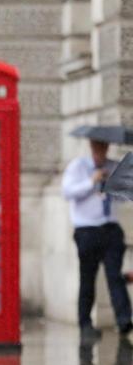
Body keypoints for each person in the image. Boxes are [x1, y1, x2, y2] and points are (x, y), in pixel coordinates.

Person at [62, 138, 133, 343]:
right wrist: (91, 181)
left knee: (115, 276)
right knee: (88, 278)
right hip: (87, 230)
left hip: (110, 229)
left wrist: (115, 184)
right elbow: (67, 192)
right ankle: (85, 323)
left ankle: (124, 320)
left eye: (104, 146)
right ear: (91, 146)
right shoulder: (78, 167)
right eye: (97, 146)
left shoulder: (113, 166)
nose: (101, 150)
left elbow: (124, 197)